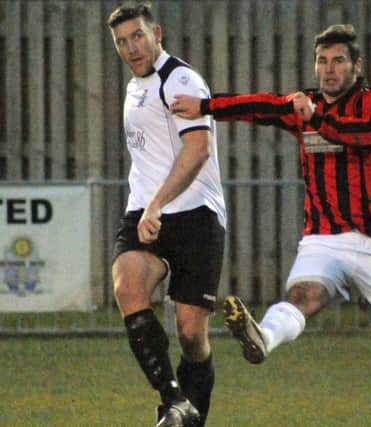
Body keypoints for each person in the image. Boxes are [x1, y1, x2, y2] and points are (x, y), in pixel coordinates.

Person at [171, 24, 371, 427]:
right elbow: (256, 105)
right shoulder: (303, 104)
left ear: (356, 67)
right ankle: (263, 338)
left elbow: (365, 136)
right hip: (322, 240)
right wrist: (205, 106)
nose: (329, 69)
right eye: (322, 61)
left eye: (338, 61)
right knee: (302, 295)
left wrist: (318, 117)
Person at [107, 3, 226, 427]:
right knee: (127, 284)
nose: (130, 47)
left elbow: (198, 150)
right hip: (144, 212)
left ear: (156, 32)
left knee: (192, 335)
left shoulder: (180, 80)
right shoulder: (134, 87)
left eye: (137, 36)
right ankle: (174, 400)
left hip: (195, 214)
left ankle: (191, 414)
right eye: (121, 41)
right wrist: (148, 204)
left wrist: (158, 202)